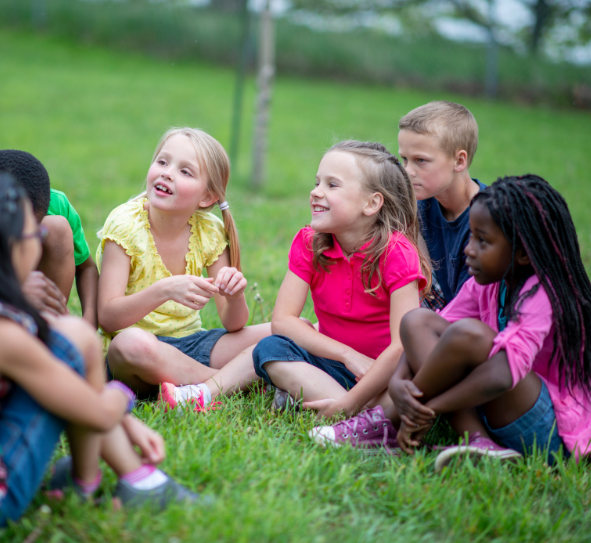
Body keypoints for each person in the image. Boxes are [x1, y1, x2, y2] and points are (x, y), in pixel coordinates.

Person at [0, 172, 201, 534]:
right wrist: (122, 403)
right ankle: (132, 483)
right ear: (5, 248)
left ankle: (98, 482)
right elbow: (99, 412)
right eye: (35, 235)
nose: (40, 243)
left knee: (70, 336)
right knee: (71, 353)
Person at [311, 175, 591, 471]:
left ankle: (386, 424)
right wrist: (398, 382)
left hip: (547, 432)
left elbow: (503, 375)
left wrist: (427, 408)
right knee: (418, 320)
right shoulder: (486, 284)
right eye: (471, 236)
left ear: (522, 253)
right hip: (493, 410)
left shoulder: (542, 292)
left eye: (483, 241)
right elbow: (426, 335)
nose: (469, 249)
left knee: (469, 335)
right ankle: (478, 441)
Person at [252, 141, 430, 418]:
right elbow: (283, 321)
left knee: (411, 389)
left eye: (332, 185)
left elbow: (400, 346)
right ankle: (367, 420)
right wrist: (348, 356)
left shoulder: (397, 253)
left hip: (384, 373)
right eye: (317, 182)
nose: (315, 192)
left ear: (372, 203)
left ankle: (345, 409)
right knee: (270, 349)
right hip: (334, 364)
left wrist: (352, 399)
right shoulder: (309, 242)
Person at [97, 127, 269, 408]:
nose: (167, 173)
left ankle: (208, 385)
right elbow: (108, 317)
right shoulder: (125, 225)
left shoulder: (209, 230)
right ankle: (234, 382)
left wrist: (236, 296)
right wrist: (164, 289)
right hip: (138, 358)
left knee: (291, 329)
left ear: (206, 197)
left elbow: (232, 323)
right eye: (162, 162)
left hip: (193, 347)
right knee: (129, 344)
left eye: (185, 172)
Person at [0, 149, 99, 327]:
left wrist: (89, 321)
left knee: (57, 228)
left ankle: (48, 327)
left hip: (36, 310)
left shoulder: (56, 204)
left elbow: (86, 269)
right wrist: (13, 292)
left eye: (35, 231)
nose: (25, 240)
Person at [397, 101, 485, 310]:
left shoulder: (489, 220)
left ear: (459, 161)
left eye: (421, 160)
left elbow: (473, 312)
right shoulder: (417, 206)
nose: (408, 171)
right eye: (404, 159)